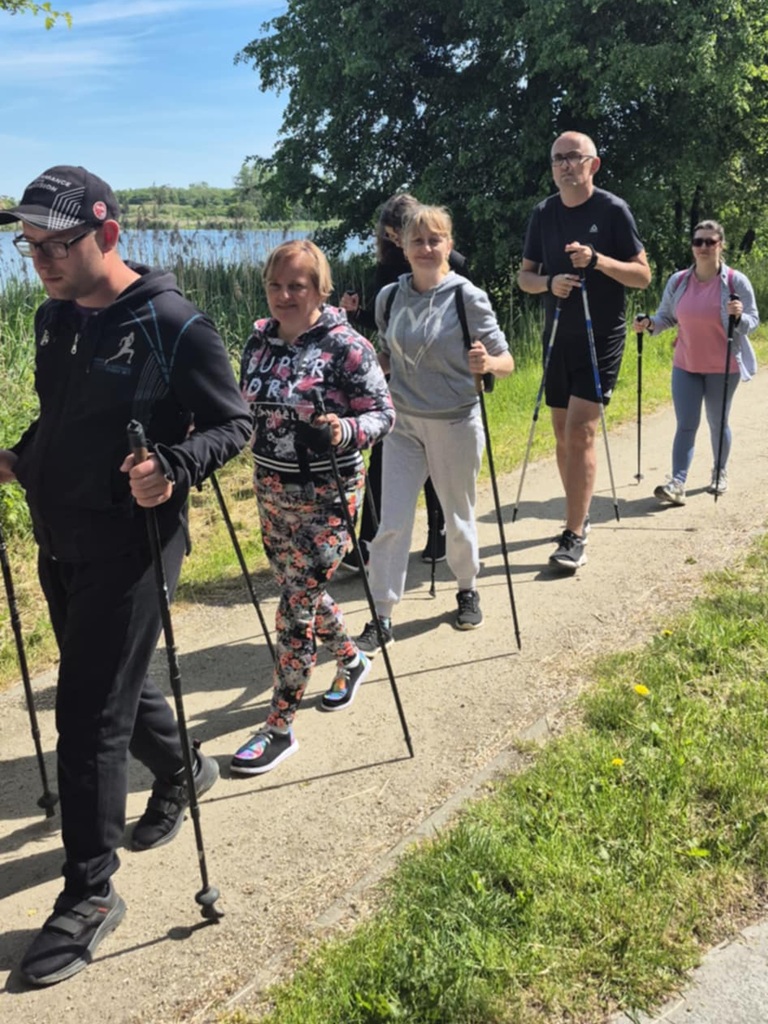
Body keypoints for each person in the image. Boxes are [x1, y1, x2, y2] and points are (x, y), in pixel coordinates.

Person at [0, 166, 251, 986]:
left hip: (133, 543)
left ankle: (90, 894)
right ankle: (183, 770)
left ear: (108, 234)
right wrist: (22, 458)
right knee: (117, 684)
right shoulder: (52, 318)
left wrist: (172, 467)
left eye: (56, 244)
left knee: (87, 718)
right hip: (60, 533)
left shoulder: (173, 323)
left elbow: (233, 423)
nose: (41, 260)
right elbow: (63, 417)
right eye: (28, 245)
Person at [229, 240, 394, 776]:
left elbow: (382, 414)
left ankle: (279, 727)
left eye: (296, 286)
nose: (284, 296)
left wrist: (342, 429)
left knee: (294, 607)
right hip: (271, 489)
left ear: (321, 289)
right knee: (300, 590)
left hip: (328, 494)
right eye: (275, 285)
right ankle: (352, 659)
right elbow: (241, 408)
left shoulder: (347, 347)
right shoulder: (258, 342)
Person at [354, 204, 514, 653]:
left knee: (458, 516)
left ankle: (467, 588)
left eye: (434, 239)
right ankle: (382, 613)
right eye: (417, 241)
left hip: (455, 420)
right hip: (402, 424)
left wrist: (487, 364)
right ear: (403, 247)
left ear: (449, 245)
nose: (426, 248)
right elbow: (388, 357)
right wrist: (364, 368)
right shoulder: (390, 297)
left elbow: (506, 361)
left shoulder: (467, 297)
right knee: (392, 522)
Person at [518, 130, 651, 572]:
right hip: (558, 334)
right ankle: (580, 510)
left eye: (573, 157)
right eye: (558, 159)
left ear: (593, 164)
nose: (565, 165)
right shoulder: (544, 213)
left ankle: (574, 534)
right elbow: (525, 278)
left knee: (580, 431)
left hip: (601, 335)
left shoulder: (612, 210)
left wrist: (597, 261)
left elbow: (642, 276)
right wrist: (549, 283)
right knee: (561, 433)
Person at [340, 193, 470, 570]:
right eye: (390, 235)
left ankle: (439, 532)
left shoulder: (450, 263)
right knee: (384, 457)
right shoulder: (387, 270)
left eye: (399, 232)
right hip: (397, 376)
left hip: (440, 378)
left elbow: (465, 311)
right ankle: (368, 543)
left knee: (435, 456)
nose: (396, 241)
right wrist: (356, 314)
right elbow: (385, 322)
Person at [634, 220, 758, 505]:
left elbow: (752, 321)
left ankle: (719, 472)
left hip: (724, 367)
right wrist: (649, 323)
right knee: (686, 424)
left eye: (710, 242)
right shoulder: (679, 281)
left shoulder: (735, 281)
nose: (703, 247)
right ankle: (677, 483)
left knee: (717, 422)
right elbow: (666, 317)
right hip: (686, 364)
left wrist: (739, 316)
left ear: (720, 245)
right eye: (698, 241)